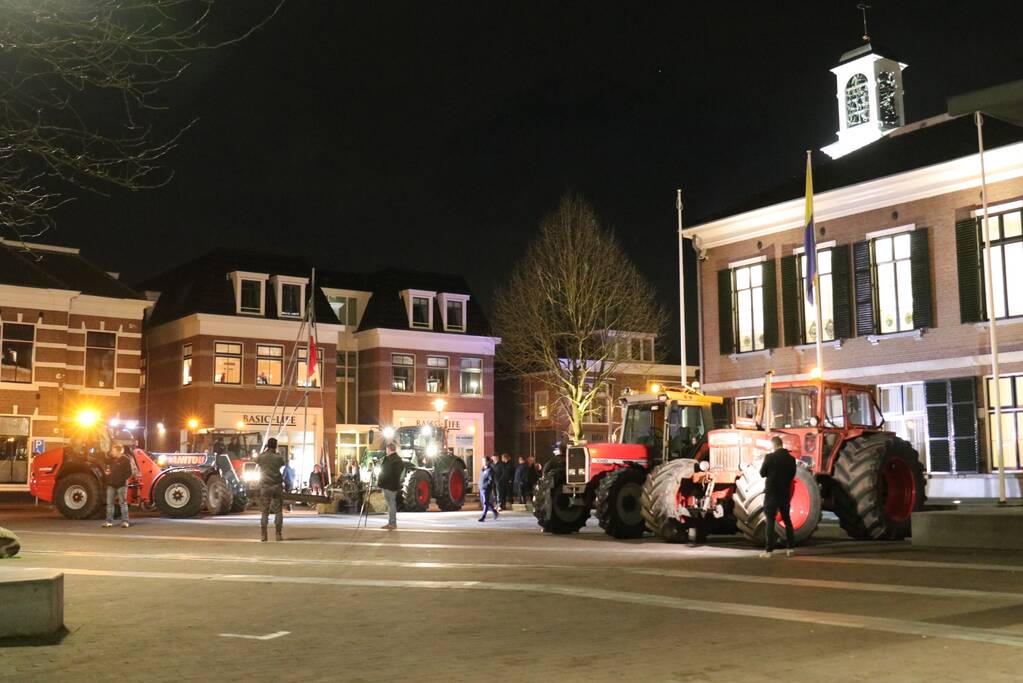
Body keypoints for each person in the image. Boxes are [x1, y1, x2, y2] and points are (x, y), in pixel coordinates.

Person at [759, 436, 797, 558]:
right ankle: (790, 548)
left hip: (771, 494)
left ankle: (769, 551)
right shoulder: (791, 459)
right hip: (784, 494)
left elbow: (762, 473)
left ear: (773, 445)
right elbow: (792, 476)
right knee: (787, 521)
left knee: (770, 522)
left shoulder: (770, 457)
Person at [257, 437, 287, 542]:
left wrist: (265, 451)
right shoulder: (278, 457)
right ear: (276, 446)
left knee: (265, 511)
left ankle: (263, 535)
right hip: (276, 486)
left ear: (267, 446)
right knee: (278, 511)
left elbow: (256, 460)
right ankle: (278, 534)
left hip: (265, 486)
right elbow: (283, 463)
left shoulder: (262, 457)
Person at [102, 444, 135, 528]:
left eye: (113, 451)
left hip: (121, 485)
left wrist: (121, 480)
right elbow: (106, 462)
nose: (112, 452)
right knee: (110, 504)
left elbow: (129, 473)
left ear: (119, 451)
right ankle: (109, 522)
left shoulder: (126, 460)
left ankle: (125, 522)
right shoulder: (112, 459)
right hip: (111, 484)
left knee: (122, 503)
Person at [377, 443, 403, 530]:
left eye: (387, 449)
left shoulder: (390, 459)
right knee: (391, 504)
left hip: (388, 485)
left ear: (389, 449)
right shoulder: (397, 459)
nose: (386, 451)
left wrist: (380, 482)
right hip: (392, 485)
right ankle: (391, 522)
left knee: (391, 504)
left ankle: (392, 523)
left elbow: (386, 473)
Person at [478, 456, 498, 522]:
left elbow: (491, 480)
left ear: (488, 461)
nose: (483, 462)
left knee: (485, 503)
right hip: (481, 488)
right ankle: (495, 512)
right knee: (486, 502)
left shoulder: (490, 470)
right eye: (482, 461)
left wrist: (486, 485)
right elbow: (481, 478)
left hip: (486, 489)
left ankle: (483, 517)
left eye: (484, 461)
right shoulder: (482, 469)